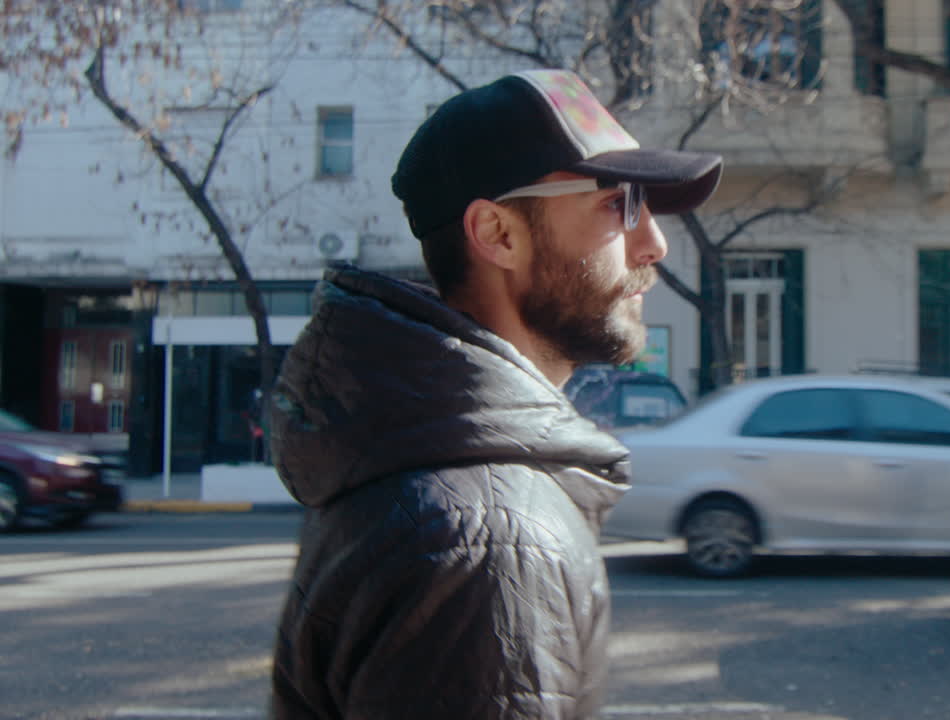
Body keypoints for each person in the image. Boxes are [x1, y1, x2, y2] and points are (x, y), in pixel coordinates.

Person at [268, 69, 722, 719]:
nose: (655, 242)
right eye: (621, 202)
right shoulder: (492, 537)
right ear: (498, 234)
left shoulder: (427, 465)